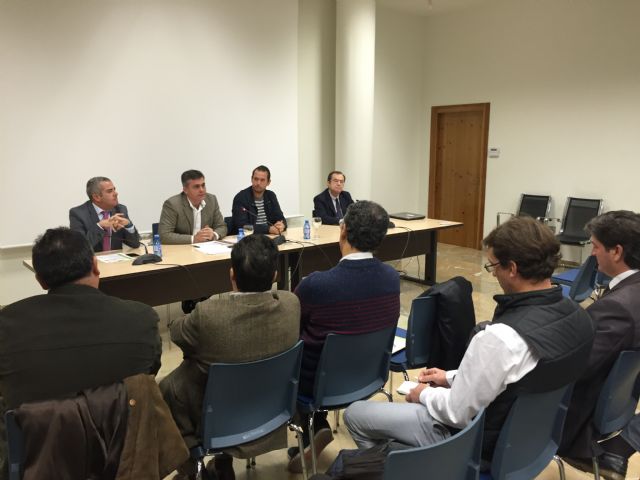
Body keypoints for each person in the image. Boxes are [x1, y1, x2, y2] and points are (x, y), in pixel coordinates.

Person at [343, 216, 594, 468]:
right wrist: (451, 377)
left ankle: (414, 468)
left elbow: (456, 413)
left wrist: (424, 393)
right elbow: (518, 375)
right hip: (531, 442)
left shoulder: (500, 338)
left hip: (476, 447)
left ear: (513, 268)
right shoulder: (580, 317)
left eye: (493, 265)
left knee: (356, 415)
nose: (493, 273)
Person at [0, 228, 162, 478]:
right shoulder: (141, 319)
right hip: (124, 459)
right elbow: (148, 377)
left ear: (40, 280)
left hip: (40, 462)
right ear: (95, 266)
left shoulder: (7, 325)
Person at [159, 234, 300, 480]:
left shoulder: (209, 313)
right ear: (276, 276)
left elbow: (176, 333)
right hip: (270, 406)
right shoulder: (291, 304)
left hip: (214, 411)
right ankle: (221, 461)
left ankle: (192, 466)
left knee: (169, 386)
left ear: (231, 275)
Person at [288, 200, 401, 472]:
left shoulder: (315, 285)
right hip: (368, 376)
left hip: (317, 386)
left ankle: (312, 429)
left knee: (291, 357)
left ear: (343, 231)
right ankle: (317, 427)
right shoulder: (391, 278)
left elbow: (291, 329)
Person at [559, 210, 640, 480]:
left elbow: (574, 369)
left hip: (578, 421)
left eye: (595, 247)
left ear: (616, 251)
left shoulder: (617, 307)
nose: (592, 254)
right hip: (621, 404)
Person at [69, 176, 140, 252]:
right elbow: (80, 248)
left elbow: (135, 244)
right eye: (110, 191)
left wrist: (128, 225)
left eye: (114, 189)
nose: (116, 193)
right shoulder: (78, 213)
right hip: (92, 261)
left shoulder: (120, 209)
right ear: (97, 197)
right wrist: (100, 226)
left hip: (117, 261)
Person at [159, 169, 227, 245]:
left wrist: (213, 234)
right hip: (182, 249)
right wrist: (194, 239)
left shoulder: (211, 200)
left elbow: (222, 226)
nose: (201, 190)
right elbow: (164, 235)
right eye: (196, 187)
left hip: (207, 248)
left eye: (203, 185)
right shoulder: (172, 204)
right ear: (185, 190)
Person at [231, 165, 286, 235]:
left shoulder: (271, 196)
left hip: (270, 237)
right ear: (251, 179)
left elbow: (281, 219)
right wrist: (268, 229)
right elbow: (241, 226)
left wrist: (282, 225)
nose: (258, 183)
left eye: (262, 180)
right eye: (256, 179)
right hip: (250, 239)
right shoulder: (241, 197)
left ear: (268, 182)